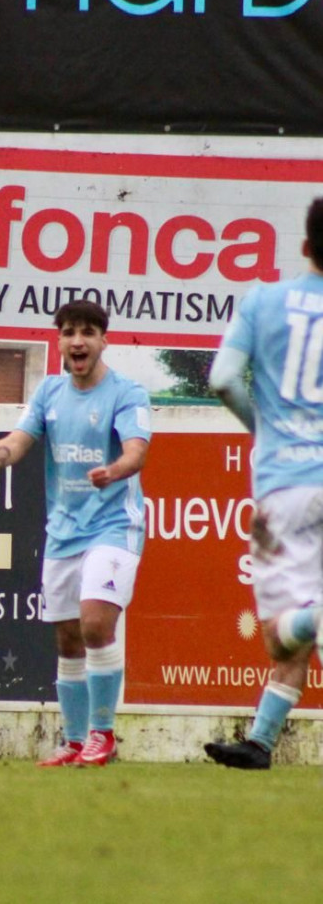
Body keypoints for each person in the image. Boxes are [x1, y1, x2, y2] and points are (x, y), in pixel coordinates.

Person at [0, 299, 151, 767]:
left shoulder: (127, 392)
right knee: (67, 638)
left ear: (104, 340)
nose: (77, 341)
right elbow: (17, 444)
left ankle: (104, 735)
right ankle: (76, 740)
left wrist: (114, 470)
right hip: (63, 533)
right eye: (69, 333)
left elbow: (136, 453)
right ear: (58, 341)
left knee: (96, 623)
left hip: (114, 527)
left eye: (87, 332)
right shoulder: (49, 394)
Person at [204, 196, 323, 770]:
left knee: (283, 634)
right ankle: (259, 743)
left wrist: (265, 430)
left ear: (305, 247)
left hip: (286, 485)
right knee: (304, 621)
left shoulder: (264, 301)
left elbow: (224, 378)